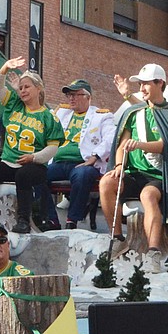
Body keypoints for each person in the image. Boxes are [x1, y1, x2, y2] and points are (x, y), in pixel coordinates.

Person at [99, 62, 168, 273]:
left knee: (148, 196)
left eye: (146, 84)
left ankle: (154, 251)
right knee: (107, 182)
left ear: (159, 83)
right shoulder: (134, 113)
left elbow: (166, 145)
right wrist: (119, 164)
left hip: (161, 177)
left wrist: (141, 144)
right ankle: (116, 237)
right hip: (134, 173)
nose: (142, 88)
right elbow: (122, 143)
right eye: (140, 84)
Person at [0, 57, 64, 234]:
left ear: (39, 89)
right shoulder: (14, 105)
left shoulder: (49, 116)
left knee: (23, 175)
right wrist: (4, 68)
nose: (22, 91)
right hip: (9, 162)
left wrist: (34, 158)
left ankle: (23, 220)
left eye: (27, 87)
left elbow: (53, 147)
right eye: (20, 88)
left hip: (34, 166)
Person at [40, 79, 115, 230]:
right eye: (69, 95)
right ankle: (51, 219)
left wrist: (94, 156)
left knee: (82, 175)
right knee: (36, 175)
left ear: (88, 97)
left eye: (76, 94)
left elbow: (111, 138)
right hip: (58, 162)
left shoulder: (102, 116)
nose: (71, 98)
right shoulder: (61, 113)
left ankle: (72, 220)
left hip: (83, 163)